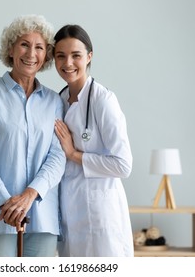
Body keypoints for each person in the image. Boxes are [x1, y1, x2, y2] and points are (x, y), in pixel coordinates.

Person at [0, 15, 66, 257]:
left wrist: (30, 194)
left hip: (42, 215)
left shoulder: (54, 101)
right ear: (11, 49)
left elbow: (57, 156)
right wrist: (7, 203)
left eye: (40, 47)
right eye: (24, 44)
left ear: (46, 55)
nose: (31, 53)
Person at [53, 24, 134, 257]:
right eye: (61, 56)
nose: (68, 63)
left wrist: (73, 155)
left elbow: (123, 165)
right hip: (69, 212)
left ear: (89, 57)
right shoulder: (59, 100)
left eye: (76, 55)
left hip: (100, 214)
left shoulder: (103, 100)